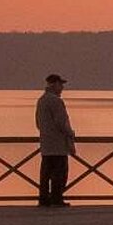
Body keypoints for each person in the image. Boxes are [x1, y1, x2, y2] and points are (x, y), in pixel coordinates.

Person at [36, 73, 76, 207]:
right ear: (55, 85)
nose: (62, 88)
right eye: (61, 85)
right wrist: (70, 133)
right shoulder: (56, 101)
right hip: (58, 144)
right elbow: (61, 122)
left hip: (46, 144)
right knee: (59, 174)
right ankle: (56, 199)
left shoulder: (41, 100)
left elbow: (37, 122)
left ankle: (44, 199)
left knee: (46, 174)